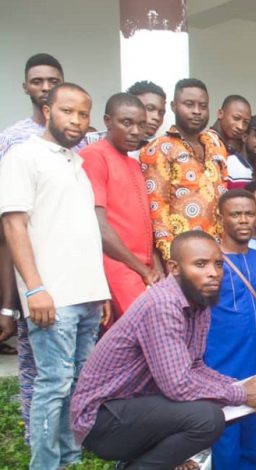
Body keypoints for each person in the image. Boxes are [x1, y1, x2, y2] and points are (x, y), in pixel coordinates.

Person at [71, 231, 256, 470]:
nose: (214, 273)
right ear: (174, 268)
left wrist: (243, 389)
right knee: (209, 418)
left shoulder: (198, 304)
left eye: (218, 264)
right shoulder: (163, 304)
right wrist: (241, 393)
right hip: (102, 418)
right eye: (200, 264)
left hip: (136, 410)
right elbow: (178, 385)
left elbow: (195, 367)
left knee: (229, 408)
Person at [0, 82, 110, 469]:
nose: (76, 120)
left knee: (78, 383)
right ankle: (45, 464)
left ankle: (70, 459)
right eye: (67, 111)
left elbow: (82, 232)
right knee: (54, 384)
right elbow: (13, 225)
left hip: (86, 296)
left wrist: (100, 290)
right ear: (47, 111)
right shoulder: (24, 155)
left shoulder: (75, 163)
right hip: (53, 297)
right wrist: (35, 289)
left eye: (83, 114)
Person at [0, 52, 73, 446]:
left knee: (74, 367)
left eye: (52, 80)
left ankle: (74, 444)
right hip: (35, 277)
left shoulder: (80, 139)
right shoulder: (12, 140)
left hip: (75, 278)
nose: (45, 87)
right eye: (37, 81)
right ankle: (38, 444)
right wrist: (9, 303)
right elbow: (9, 228)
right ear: (25, 86)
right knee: (37, 369)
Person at [204, 189, 256, 470]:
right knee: (225, 451)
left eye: (249, 214)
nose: (243, 220)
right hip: (221, 374)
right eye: (236, 214)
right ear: (221, 218)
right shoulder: (209, 264)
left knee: (252, 450)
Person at [81, 93, 163, 326]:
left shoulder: (134, 163)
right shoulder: (94, 156)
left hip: (141, 269)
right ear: (107, 121)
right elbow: (99, 226)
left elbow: (145, 223)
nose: (136, 131)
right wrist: (143, 270)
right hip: (117, 267)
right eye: (126, 123)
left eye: (141, 124)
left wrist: (154, 267)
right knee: (143, 334)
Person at [140, 78, 228, 260]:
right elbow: (157, 212)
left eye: (203, 106)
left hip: (217, 254)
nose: (197, 111)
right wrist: (173, 261)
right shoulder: (159, 148)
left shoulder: (216, 146)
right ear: (174, 106)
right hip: (183, 258)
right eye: (189, 104)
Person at [209, 95, 252, 188]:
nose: (240, 127)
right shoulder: (208, 142)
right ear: (220, 114)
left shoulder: (225, 146)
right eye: (236, 118)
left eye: (245, 122)